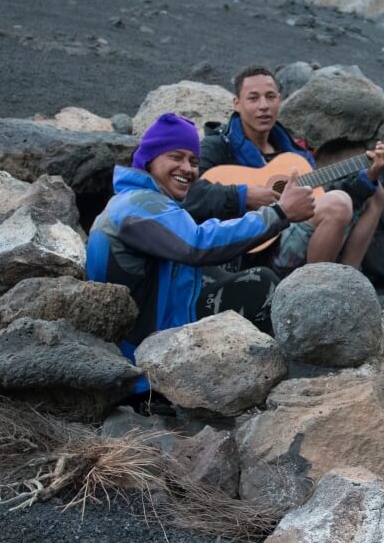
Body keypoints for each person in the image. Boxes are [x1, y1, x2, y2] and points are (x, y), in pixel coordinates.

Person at [87, 112, 316, 390]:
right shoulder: (139, 206)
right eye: (176, 157)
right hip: (144, 359)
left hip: (156, 327)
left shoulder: (142, 200)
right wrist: (279, 213)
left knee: (230, 264)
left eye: (194, 161)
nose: (187, 168)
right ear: (149, 158)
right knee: (261, 283)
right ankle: (277, 380)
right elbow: (197, 245)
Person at [187, 65, 384, 275]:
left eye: (270, 97)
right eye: (253, 98)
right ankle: (317, 288)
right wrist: (243, 195)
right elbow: (187, 193)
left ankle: (350, 279)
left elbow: (322, 196)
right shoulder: (218, 146)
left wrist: (370, 175)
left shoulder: (292, 152)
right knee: (337, 204)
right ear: (237, 104)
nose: (264, 106)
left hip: (289, 237)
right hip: (250, 252)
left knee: (375, 191)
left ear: (279, 100)